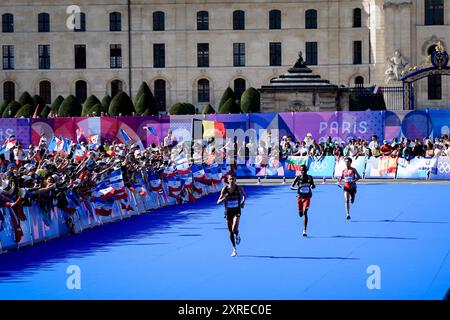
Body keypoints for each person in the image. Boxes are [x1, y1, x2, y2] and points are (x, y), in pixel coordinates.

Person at [217, 174, 246, 257]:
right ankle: (234, 249)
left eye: (233, 179)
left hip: (236, 210)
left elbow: (244, 195)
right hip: (228, 211)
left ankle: (237, 233)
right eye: (230, 179)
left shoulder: (238, 188)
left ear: (235, 180)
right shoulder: (225, 189)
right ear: (228, 180)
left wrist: (243, 202)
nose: (232, 181)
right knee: (230, 231)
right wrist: (223, 198)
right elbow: (218, 202)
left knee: (234, 229)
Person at [290, 164, 315, 237]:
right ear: (300, 171)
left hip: (307, 197)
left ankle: (304, 230)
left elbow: (313, 185)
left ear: (306, 170)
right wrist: (296, 189)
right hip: (300, 197)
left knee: (305, 212)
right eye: (301, 170)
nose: (303, 171)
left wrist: (313, 186)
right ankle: (300, 211)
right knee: (300, 213)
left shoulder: (310, 178)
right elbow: (291, 187)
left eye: (304, 170)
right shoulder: (297, 178)